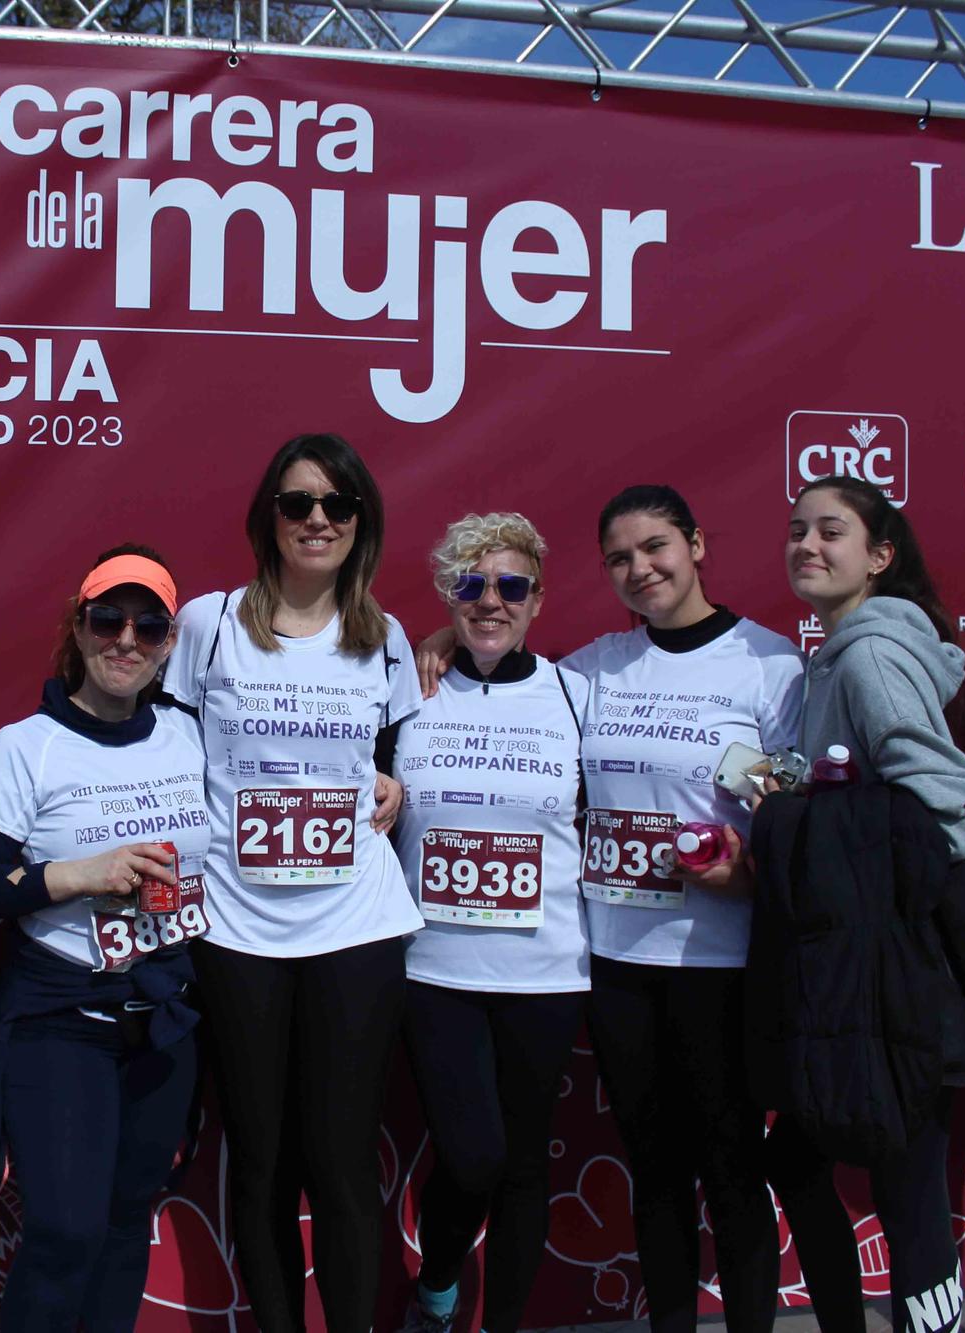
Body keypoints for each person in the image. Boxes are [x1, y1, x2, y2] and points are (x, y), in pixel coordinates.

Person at [470, 485, 799, 1333]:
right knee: (654, 1170)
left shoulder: (769, 665)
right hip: (617, 960)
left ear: (695, 543)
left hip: (718, 961)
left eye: (655, 547)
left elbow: (804, 824)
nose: (639, 569)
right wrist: (444, 636)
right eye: (619, 558)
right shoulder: (593, 668)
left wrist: (752, 868)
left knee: (731, 1167)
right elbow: (498, 668)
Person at [761, 475, 965, 1333]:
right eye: (797, 530)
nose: (807, 545)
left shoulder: (869, 653)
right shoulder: (846, 649)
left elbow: (938, 795)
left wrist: (817, 832)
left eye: (831, 531)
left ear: (880, 556)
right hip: (876, 961)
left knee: (907, 1170)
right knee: (870, 1161)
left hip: (893, 966)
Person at [162, 433, 418, 1333]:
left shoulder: (384, 637)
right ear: (267, 516)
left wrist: (397, 784)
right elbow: (167, 756)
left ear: (361, 523)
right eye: (298, 503)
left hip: (357, 925)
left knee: (343, 1162)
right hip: (236, 928)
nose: (317, 520)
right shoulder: (208, 622)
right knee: (264, 1160)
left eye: (337, 505)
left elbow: (394, 764)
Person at [0, 545, 209, 1333]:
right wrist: (75, 874)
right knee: (65, 1233)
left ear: (168, 643)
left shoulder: (190, 735)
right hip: (62, 1020)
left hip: (165, 1017)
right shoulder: (25, 746)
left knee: (128, 1221)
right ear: (79, 625)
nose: (125, 639)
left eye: (148, 625)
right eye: (107, 619)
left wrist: (377, 771)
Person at [389, 512, 591, 1333]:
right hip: (435, 969)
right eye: (469, 585)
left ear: (538, 598)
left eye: (510, 585)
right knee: (472, 1153)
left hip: (546, 970)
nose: (489, 601)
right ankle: (438, 1290)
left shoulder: (580, 693)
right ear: (448, 594)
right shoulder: (409, 684)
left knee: (519, 1169)